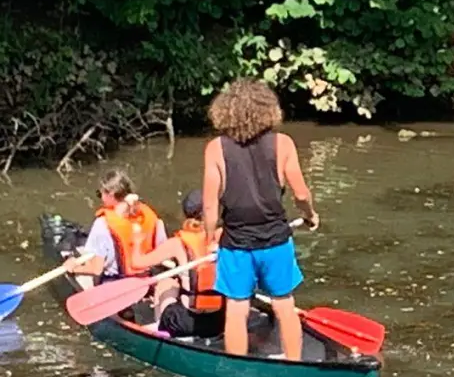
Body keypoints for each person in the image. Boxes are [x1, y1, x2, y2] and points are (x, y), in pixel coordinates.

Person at [202, 80, 320, 360]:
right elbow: (301, 194)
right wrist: (310, 214)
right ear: (268, 110)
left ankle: (238, 367)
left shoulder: (215, 149)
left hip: (236, 243)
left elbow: (209, 205)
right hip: (276, 240)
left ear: (225, 112)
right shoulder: (283, 144)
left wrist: (209, 239)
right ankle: (294, 362)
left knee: (237, 307)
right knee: (284, 304)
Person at [68, 171, 173, 301]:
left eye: (100, 193)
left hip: (116, 285)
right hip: (145, 281)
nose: (100, 197)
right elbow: (163, 251)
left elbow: (96, 269)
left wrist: (74, 268)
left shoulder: (102, 224)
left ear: (110, 195)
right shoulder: (149, 215)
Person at [146, 190, 225, 339]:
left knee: (166, 282)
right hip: (218, 322)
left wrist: (139, 240)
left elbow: (137, 263)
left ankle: (161, 329)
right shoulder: (223, 236)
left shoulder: (177, 243)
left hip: (184, 323)